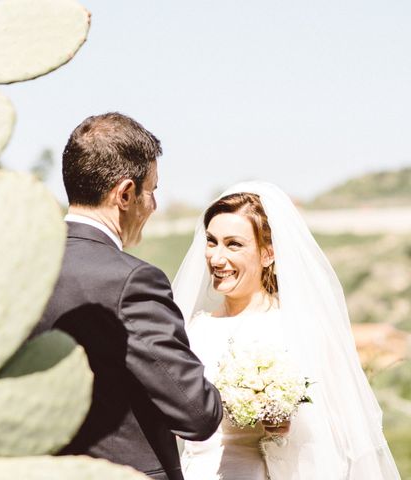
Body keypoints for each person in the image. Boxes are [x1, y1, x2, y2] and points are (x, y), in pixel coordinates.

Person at [32, 112, 222, 480]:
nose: (154, 206)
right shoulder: (132, 281)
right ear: (125, 194)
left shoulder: (18, 267)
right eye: (152, 191)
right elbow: (196, 415)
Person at [172, 181, 401, 480]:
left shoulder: (299, 328)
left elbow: (337, 432)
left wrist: (282, 426)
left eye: (234, 244)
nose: (216, 258)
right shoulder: (192, 329)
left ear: (268, 254)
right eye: (212, 241)